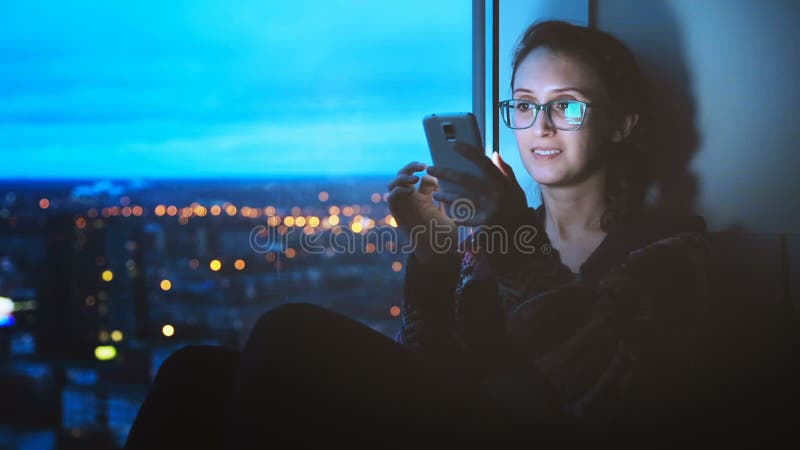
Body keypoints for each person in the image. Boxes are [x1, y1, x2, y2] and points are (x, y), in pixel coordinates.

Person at [125, 20, 714, 449]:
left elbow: (614, 402)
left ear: (623, 124)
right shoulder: (499, 241)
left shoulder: (670, 251)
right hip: (459, 424)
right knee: (194, 373)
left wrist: (507, 229)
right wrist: (432, 252)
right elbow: (429, 371)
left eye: (569, 107)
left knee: (289, 331)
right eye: (524, 105)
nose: (540, 127)